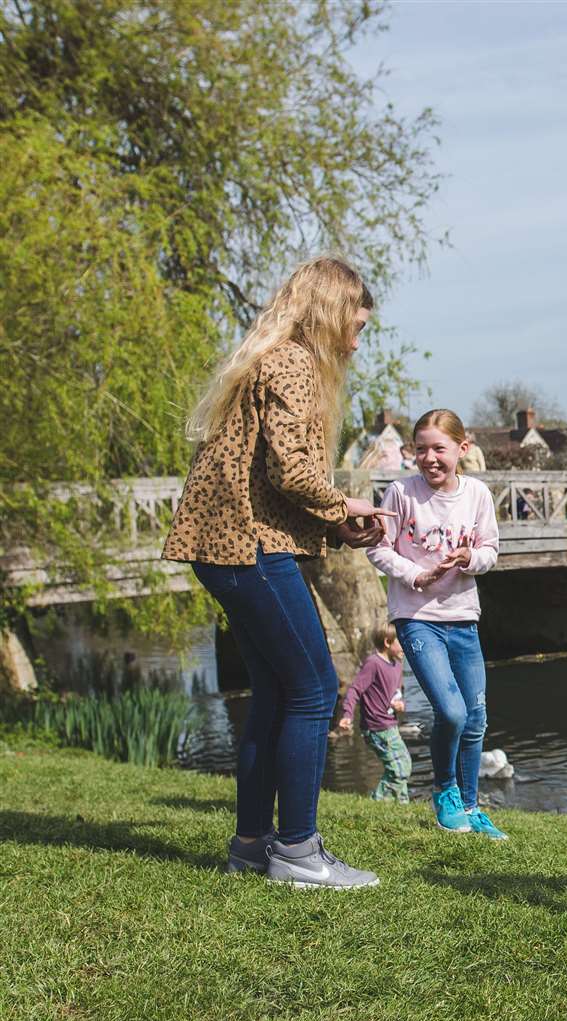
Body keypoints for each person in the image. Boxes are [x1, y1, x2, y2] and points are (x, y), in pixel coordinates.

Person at [163, 255, 393, 890]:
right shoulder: (292, 363)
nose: (357, 339)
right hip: (247, 548)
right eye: (357, 324)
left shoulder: (274, 359)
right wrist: (344, 504)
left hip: (234, 545)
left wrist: (332, 523)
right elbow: (290, 472)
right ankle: (297, 851)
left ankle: (251, 844)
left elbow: (272, 478)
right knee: (315, 690)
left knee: (276, 693)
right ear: (330, 312)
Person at [366, 408, 507, 841]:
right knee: (451, 710)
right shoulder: (400, 493)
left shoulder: (477, 494)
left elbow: (491, 550)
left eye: (439, 449)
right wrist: (413, 574)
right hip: (417, 617)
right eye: (421, 449)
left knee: (476, 717)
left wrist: (470, 558)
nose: (429, 458)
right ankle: (444, 790)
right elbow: (377, 548)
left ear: (462, 449)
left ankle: (470, 805)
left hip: (463, 617)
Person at [336, 623, 411, 802]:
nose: (404, 645)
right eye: (400, 641)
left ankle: (402, 803)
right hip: (376, 727)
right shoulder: (374, 664)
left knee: (404, 764)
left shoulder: (397, 665)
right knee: (399, 770)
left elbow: (394, 693)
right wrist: (347, 714)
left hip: (390, 724)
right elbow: (355, 689)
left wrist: (399, 703)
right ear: (387, 642)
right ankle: (377, 800)